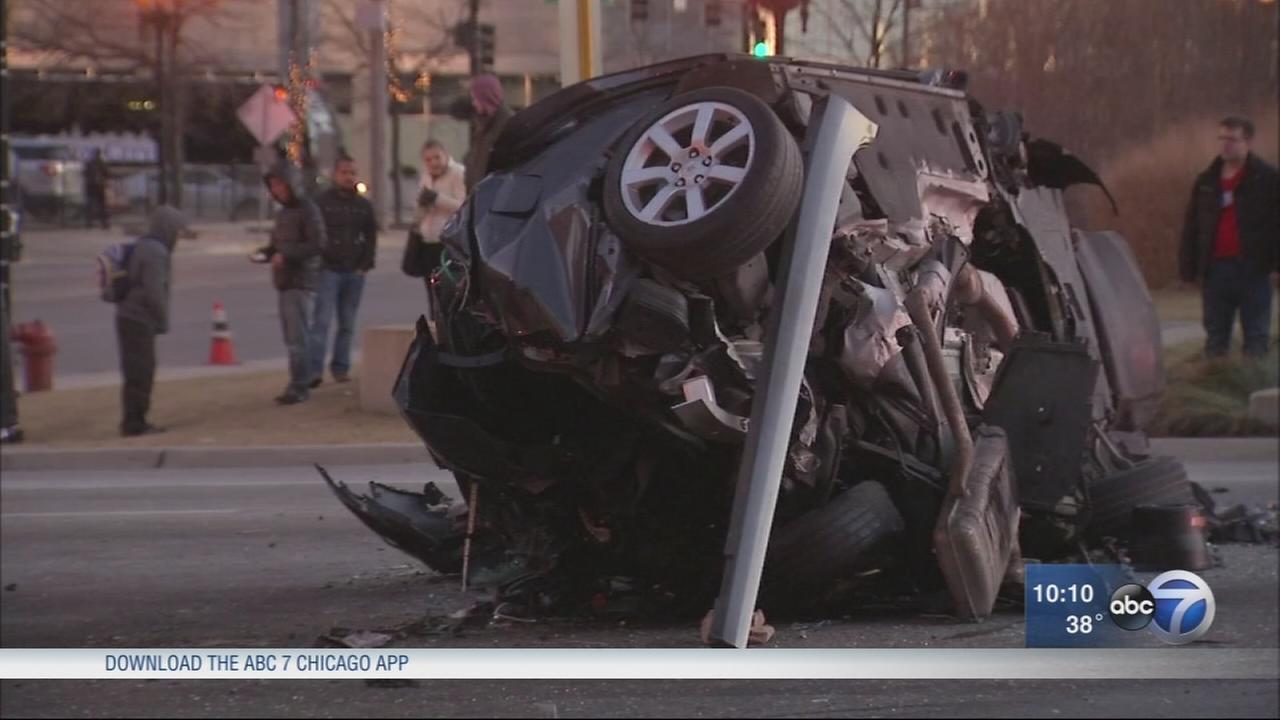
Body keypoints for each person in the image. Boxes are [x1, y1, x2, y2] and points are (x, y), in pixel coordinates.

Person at [1179, 116, 1280, 359]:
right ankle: (1216, 388)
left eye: (1232, 139)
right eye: (1222, 138)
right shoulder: (1207, 181)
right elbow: (1192, 227)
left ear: (1248, 142)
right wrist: (1188, 270)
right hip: (1216, 271)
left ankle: (1252, 390)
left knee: (1256, 337)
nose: (1225, 145)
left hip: (1253, 268)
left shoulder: (1267, 179)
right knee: (1215, 338)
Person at [115, 205, 190, 437]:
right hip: (139, 319)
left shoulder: (144, 245)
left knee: (135, 371)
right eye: (177, 230)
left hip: (128, 315)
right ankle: (135, 423)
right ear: (168, 228)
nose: (178, 236)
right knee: (141, 372)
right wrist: (162, 321)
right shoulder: (157, 252)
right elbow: (154, 291)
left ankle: (133, 419)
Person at [257, 159, 326, 405]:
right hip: (284, 281)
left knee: (299, 339)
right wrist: (266, 253)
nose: (277, 190)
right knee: (291, 338)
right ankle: (297, 382)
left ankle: (300, 385)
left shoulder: (308, 210)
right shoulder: (283, 213)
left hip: (301, 281)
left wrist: (287, 255)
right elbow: (278, 244)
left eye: (280, 185)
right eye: (273, 186)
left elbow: (317, 244)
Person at [308, 156, 377, 388]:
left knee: (347, 324)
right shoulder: (321, 202)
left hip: (354, 272)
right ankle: (313, 372)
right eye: (344, 172)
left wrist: (365, 265)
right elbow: (313, 235)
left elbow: (370, 237)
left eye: (352, 173)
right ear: (335, 174)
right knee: (322, 322)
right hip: (327, 271)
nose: (349, 177)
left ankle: (341, 368)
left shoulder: (363, 205)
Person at [416, 140, 467, 306]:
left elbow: (464, 206)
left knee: (449, 293)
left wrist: (437, 199)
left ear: (445, 155)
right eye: (428, 160)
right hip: (428, 241)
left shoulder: (458, 173)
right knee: (432, 292)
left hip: (448, 243)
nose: (433, 163)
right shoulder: (426, 176)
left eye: (437, 157)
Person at [463, 74, 513, 192]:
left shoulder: (506, 125)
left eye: (475, 99)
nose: (474, 104)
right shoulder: (484, 125)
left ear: (486, 98)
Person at [84, 149, 110, 229]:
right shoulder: (102, 163)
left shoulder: (89, 163)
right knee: (102, 205)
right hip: (100, 186)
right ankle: (104, 223)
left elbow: (85, 173)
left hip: (91, 186)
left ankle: (89, 223)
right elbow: (107, 173)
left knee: (90, 205)